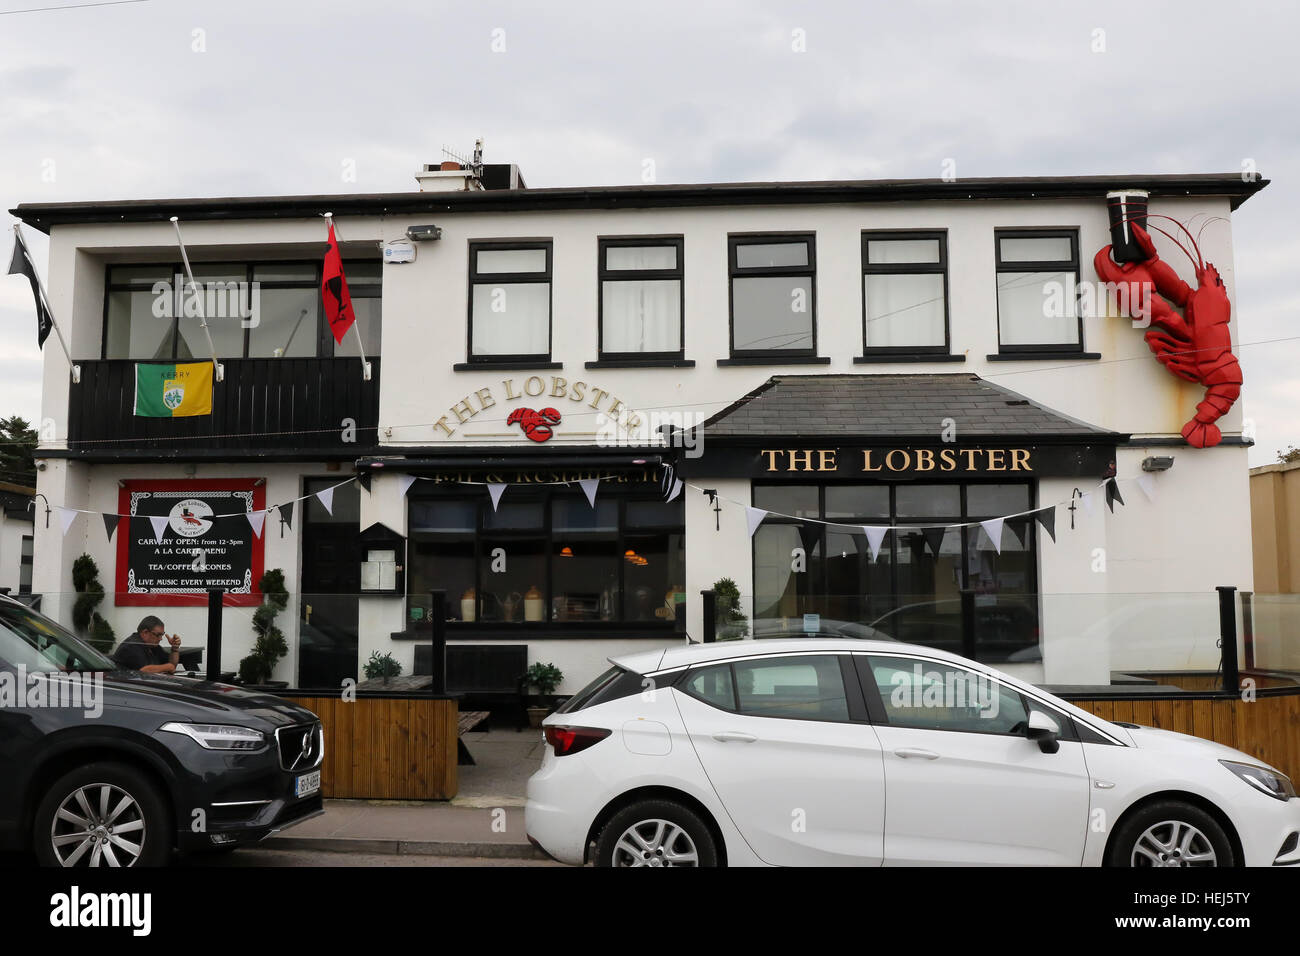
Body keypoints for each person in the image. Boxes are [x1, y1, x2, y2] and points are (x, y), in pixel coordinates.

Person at [112, 616, 182, 674]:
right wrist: (168, 667)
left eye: (162, 635)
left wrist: (174, 649)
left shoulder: (152, 646)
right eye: (158, 635)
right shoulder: (132, 646)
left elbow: (172, 665)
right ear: (145, 632)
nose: (160, 639)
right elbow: (144, 671)